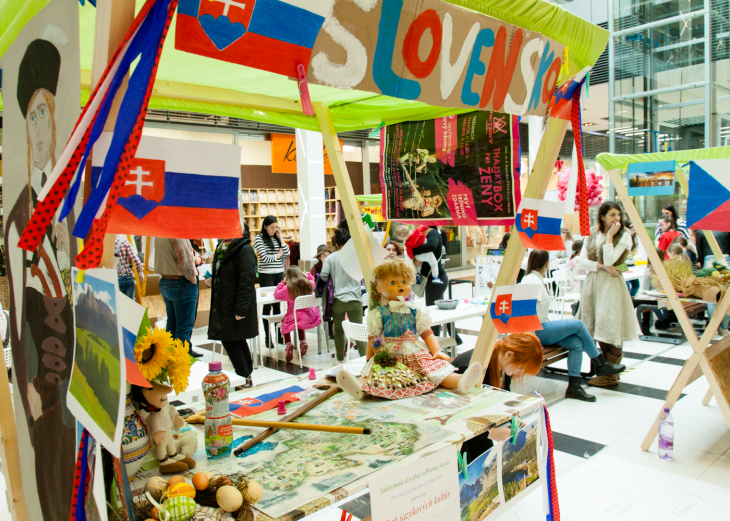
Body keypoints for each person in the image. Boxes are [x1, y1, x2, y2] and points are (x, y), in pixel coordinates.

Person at [336, 257, 482, 400]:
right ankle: (359, 388)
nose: (401, 285)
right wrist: (369, 359)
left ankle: (461, 380)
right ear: (379, 287)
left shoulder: (416, 309)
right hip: (390, 355)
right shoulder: (378, 314)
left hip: (414, 352)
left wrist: (437, 351)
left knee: (434, 372)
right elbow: (374, 339)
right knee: (381, 377)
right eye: (393, 282)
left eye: (405, 282)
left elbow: (426, 332)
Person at [520, 250, 625, 401]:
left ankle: (574, 387)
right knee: (578, 324)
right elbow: (526, 311)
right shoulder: (533, 281)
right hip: (535, 333)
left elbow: (535, 310)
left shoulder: (532, 278)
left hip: (538, 328)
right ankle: (599, 362)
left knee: (576, 343)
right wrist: (533, 338)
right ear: (547, 263)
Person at [451, 334, 544, 460]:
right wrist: (490, 433)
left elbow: (501, 401)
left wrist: (513, 420)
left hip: (477, 427)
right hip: (457, 434)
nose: (520, 373)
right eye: (521, 368)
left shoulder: (503, 366)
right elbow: (455, 415)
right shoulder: (474, 366)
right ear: (509, 354)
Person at [576, 201, 637, 387]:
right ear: (602, 216)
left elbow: (611, 259)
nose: (616, 219)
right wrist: (600, 266)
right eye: (612, 215)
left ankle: (612, 374)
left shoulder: (624, 235)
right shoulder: (593, 232)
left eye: (618, 215)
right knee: (597, 326)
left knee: (611, 325)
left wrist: (610, 236)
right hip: (594, 283)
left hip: (611, 284)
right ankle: (605, 371)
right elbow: (581, 260)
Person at [207, 224, 257, 384]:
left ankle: (244, 376)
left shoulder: (244, 250)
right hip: (224, 303)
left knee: (230, 339)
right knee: (235, 339)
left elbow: (247, 282)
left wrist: (241, 309)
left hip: (235, 305)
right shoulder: (222, 246)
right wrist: (213, 280)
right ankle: (247, 375)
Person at [319, 228, 367, 364]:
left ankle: (339, 359)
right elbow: (365, 275)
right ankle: (364, 360)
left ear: (337, 244)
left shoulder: (331, 258)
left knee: (338, 331)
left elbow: (323, 276)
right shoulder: (357, 256)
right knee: (358, 331)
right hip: (355, 300)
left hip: (338, 300)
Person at [155, 238, 203, 357]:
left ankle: (170, 360)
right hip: (181, 282)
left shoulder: (158, 234)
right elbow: (185, 260)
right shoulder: (177, 234)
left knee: (172, 325)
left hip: (165, 280)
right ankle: (181, 362)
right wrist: (192, 278)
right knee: (184, 327)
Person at [254, 216, 290, 348]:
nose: (274, 229)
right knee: (267, 306)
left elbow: (287, 252)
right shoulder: (259, 239)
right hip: (266, 275)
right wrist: (278, 255)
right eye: (271, 227)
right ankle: (267, 337)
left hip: (278, 273)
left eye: (276, 227)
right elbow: (264, 258)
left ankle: (279, 335)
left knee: (277, 306)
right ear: (265, 226)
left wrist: (280, 238)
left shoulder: (276, 237)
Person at [274, 266, 322, 363]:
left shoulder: (288, 288)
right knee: (300, 320)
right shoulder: (309, 283)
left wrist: (283, 282)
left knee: (285, 321)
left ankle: (288, 344)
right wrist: (307, 275)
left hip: (294, 316)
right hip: (310, 314)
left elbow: (276, 294)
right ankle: (302, 341)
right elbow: (313, 280)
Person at [410, 226, 449, 334]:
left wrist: (413, 250)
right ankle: (456, 338)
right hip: (433, 279)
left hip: (436, 279)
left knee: (432, 311)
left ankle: (434, 342)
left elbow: (431, 246)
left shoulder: (432, 233)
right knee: (437, 308)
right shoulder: (420, 234)